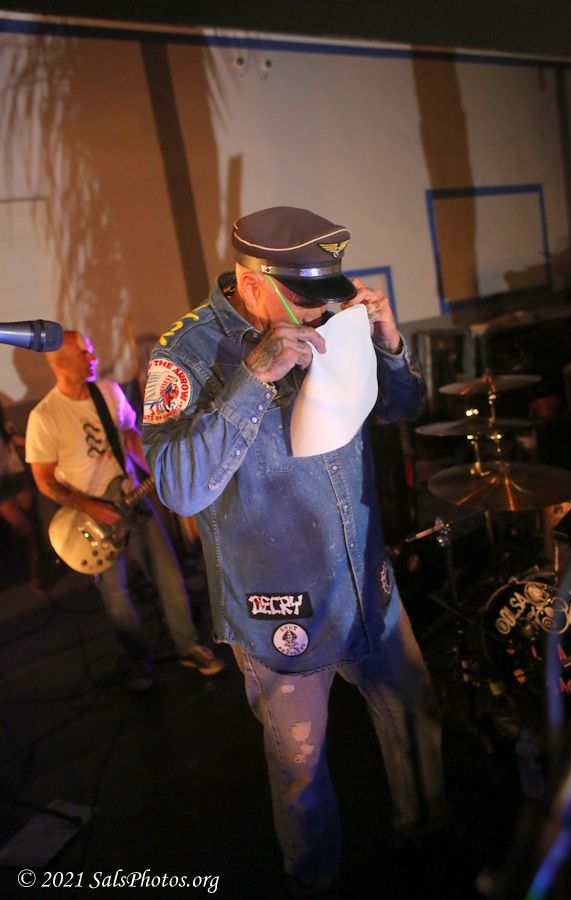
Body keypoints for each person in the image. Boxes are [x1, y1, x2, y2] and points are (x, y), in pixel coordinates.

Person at [141, 207, 445, 893]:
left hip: (364, 578)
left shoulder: (329, 316)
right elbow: (179, 489)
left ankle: (427, 842)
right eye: (301, 297)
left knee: (414, 709)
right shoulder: (184, 353)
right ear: (252, 284)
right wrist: (253, 376)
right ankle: (313, 879)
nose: (316, 312)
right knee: (299, 767)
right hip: (279, 601)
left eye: (323, 294)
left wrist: (390, 346)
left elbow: (403, 409)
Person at [25, 331, 224, 691]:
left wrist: (159, 472)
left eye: (90, 350)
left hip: (133, 499)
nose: (93, 358)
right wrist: (91, 507)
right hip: (91, 520)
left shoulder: (107, 391)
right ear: (60, 363)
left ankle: (189, 647)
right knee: (116, 597)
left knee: (170, 577)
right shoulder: (44, 416)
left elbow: (130, 436)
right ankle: (138, 663)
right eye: (84, 354)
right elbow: (45, 481)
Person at [0, 400, 45, 591]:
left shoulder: (6, 427)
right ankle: (30, 573)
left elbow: (25, 445)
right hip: (3, 487)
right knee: (24, 529)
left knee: (31, 528)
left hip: (18, 478)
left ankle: (35, 574)